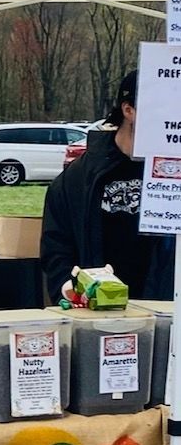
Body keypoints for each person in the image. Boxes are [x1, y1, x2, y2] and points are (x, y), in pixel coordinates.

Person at [41, 70, 173, 302]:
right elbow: (56, 243)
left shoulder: (172, 175)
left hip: (165, 315)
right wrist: (68, 287)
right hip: (98, 313)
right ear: (128, 110)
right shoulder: (80, 177)